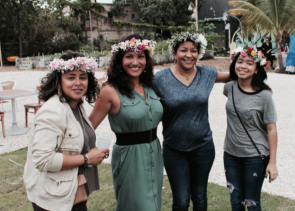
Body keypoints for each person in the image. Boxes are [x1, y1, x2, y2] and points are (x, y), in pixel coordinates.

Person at [153, 32, 231, 211]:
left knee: (199, 196)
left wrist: (260, 87)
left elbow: (235, 76)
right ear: (174, 53)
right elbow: (136, 86)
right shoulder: (160, 79)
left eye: (193, 50)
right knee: (180, 201)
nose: (189, 55)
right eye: (183, 50)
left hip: (203, 147)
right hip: (174, 149)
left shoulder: (207, 74)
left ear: (199, 53)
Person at [87, 34, 164, 210]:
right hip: (129, 158)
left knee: (153, 203)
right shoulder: (109, 91)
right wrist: (86, 155)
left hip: (154, 153)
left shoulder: (150, 86)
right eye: (129, 56)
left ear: (147, 59)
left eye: (140, 56)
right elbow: (88, 127)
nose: (135, 62)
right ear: (120, 60)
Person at [24, 53, 109, 211]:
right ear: (59, 80)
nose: (78, 83)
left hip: (71, 192)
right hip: (52, 199)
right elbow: (43, 159)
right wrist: (86, 158)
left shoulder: (76, 105)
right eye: (71, 77)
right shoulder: (53, 111)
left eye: (83, 77)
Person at [223, 45, 280, 211]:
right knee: (235, 202)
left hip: (254, 156)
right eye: (240, 61)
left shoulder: (264, 96)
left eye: (249, 63)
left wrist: (273, 163)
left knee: (252, 203)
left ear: (257, 69)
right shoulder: (230, 87)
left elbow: (272, 129)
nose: (243, 66)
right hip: (230, 154)